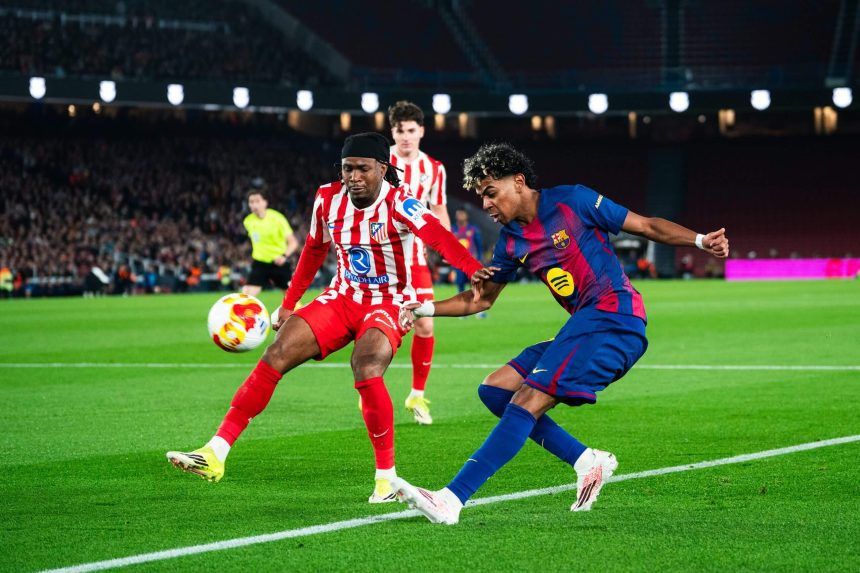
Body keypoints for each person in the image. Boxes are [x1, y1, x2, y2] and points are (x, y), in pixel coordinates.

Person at [392, 143, 729, 524]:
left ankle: (451, 499)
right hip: (586, 324)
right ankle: (587, 461)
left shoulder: (573, 201)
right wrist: (424, 308)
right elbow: (480, 299)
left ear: (519, 182)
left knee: (527, 400)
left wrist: (701, 240)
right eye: (481, 196)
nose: (485, 204)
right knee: (496, 390)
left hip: (615, 318)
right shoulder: (511, 241)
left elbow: (647, 226)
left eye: (491, 192)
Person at [166, 133, 483, 504]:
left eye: (363, 169)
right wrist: (289, 304)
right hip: (342, 297)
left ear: (383, 169)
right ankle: (215, 452)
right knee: (277, 352)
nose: (354, 177)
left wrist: (473, 269)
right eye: (348, 169)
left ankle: (386, 479)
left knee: (366, 366)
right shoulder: (327, 199)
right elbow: (313, 250)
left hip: (388, 302)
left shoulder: (402, 202)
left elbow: (439, 237)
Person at [388, 100, 449, 425]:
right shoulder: (379, 161)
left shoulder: (434, 169)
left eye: (411, 130)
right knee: (380, 325)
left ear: (421, 131)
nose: (406, 137)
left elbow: (438, 210)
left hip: (415, 260)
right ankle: (369, 386)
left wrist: (450, 248)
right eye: (400, 131)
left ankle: (416, 394)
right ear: (392, 132)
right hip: (381, 258)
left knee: (425, 324)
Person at [241, 181, 299, 296]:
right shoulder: (248, 221)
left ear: (265, 202)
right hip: (260, 263)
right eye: (251, 202)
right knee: (247, 295)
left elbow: (293, 242)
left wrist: (284, 256)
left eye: (257, 201)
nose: (254, 205)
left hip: (279, 262)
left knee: (291, 299)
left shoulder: (278, 218)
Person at [451, 208, 486, 318]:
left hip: (471, 263)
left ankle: (479, 312)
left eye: (462, 214)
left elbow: (479, 246)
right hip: (459, 264)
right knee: (460, 287)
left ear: (466, 215)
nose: (460, 216)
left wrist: (479, 259)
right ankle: (463, 312)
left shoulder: (473, 229)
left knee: (476, 286)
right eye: (458, 214)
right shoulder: (452, 229)